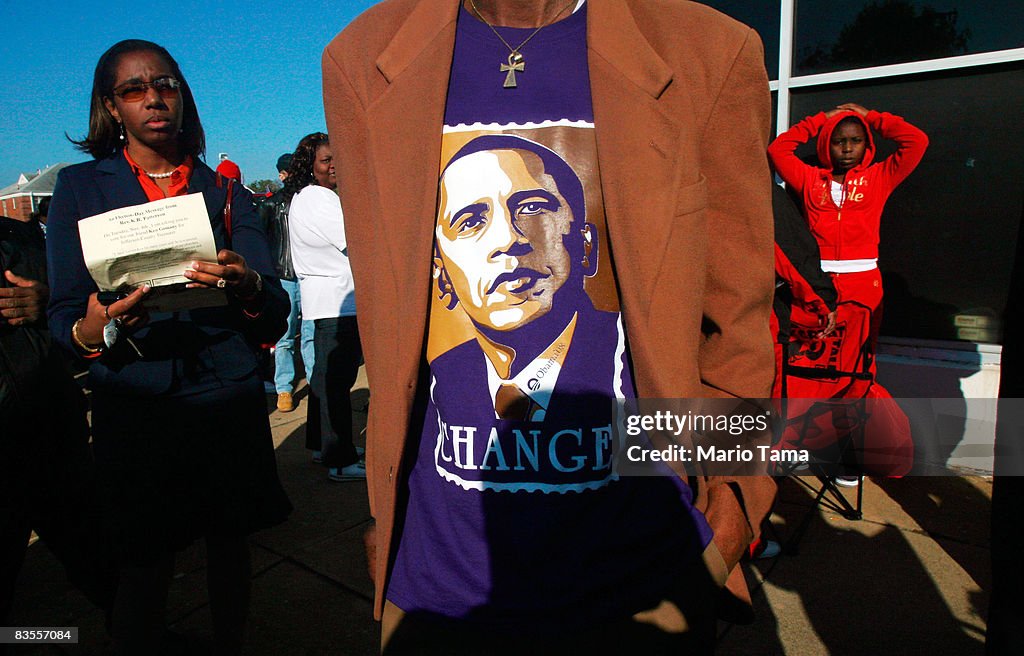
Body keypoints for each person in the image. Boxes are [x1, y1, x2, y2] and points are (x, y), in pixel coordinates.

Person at [323, 0, 777, 652]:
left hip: (644, 580)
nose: (509, 243)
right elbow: (386, 307)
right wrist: (383, 520)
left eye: (533, 207)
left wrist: (731, 512)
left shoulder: (708, 48)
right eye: (472, 221)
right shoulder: (362, 57)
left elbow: (738, 317)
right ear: (444, 267)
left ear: (582, 246)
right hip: (437, 587)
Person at [46, 39, 291, 654]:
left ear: (182, 96)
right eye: (134, 89)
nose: (153, 98)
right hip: (136, 397)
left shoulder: (228, 192)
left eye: (165, 85)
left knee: (231, 549)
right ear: (111, 106)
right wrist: (95, 324)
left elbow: (274, 309)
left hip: (226, 394)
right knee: (143, 561)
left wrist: (247, 281)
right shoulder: (81, 188)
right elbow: (64, 317)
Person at [768, 103, 927, 478]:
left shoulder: (879, 176)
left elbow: (916, 142)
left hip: (864, 289)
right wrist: (818, 121)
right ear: (827, 145)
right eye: (839, 141)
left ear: (867, 144)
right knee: (811, 369)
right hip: (819, 289)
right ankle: (797, 443)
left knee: (856, 374)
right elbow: (778, 150)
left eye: (856, 140)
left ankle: (846, 455)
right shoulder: (808, 179)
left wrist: (873, 117)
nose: (847, 147)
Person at [0, 215, 116, 639]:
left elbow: (76, 308)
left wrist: (46, 304)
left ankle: (136, 634)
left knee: (98, 553)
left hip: (50, 425)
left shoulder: (22, 237)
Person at [285, 132, 364, 481]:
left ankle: (322, 446)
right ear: (310, 166)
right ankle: (340, 459)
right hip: (338, 303)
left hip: (326, 302)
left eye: (337, 158)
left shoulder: (306, 197)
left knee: (323, 380)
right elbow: (357, 240)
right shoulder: (320, 199)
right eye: (325, 160)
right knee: (336, 384)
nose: (334, 165)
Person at [260, 152, 315, 413]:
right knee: (284, 336)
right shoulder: (271, 205)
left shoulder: (311, 202)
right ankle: (284, 388)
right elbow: (262, 242)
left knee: (311, 334)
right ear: (282, 175)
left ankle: (316, 383)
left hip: (311, 275)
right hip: (285, 277)